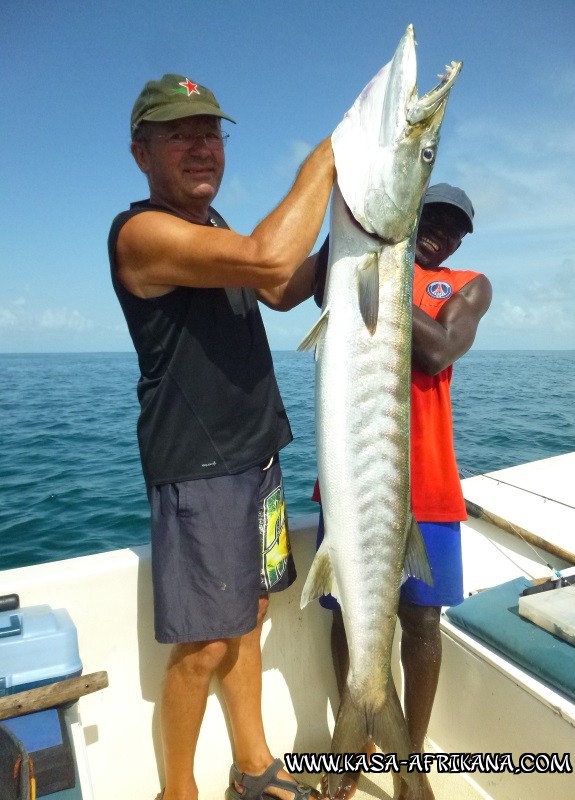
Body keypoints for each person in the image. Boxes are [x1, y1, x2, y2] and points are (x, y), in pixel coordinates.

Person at [108, 73, 334, 800]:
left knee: (252, 613)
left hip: (255, 454)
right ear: (142, 152)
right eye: (182, 134)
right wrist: (329, 159)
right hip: (199, 467)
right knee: (204, 642)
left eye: (212, 133)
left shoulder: (213, 230)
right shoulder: (142, 233)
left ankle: (254, 765)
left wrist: (361, 237)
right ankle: (177, 793)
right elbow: (270, 258)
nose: (203, 147)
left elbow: (280, 285)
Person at [312, 183, 492, 800]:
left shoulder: (468, 283)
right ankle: (350, 748)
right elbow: (305, 279)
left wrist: (374, 280)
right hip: (351, 480)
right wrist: (356, 256)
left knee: (421, 622)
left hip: (430, 488)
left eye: (455, 227)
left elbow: (440, 350)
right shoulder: (355, 263)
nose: (442, 232)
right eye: (432, 218)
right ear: (410, 216)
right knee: (348, 615)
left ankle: (409, 761)